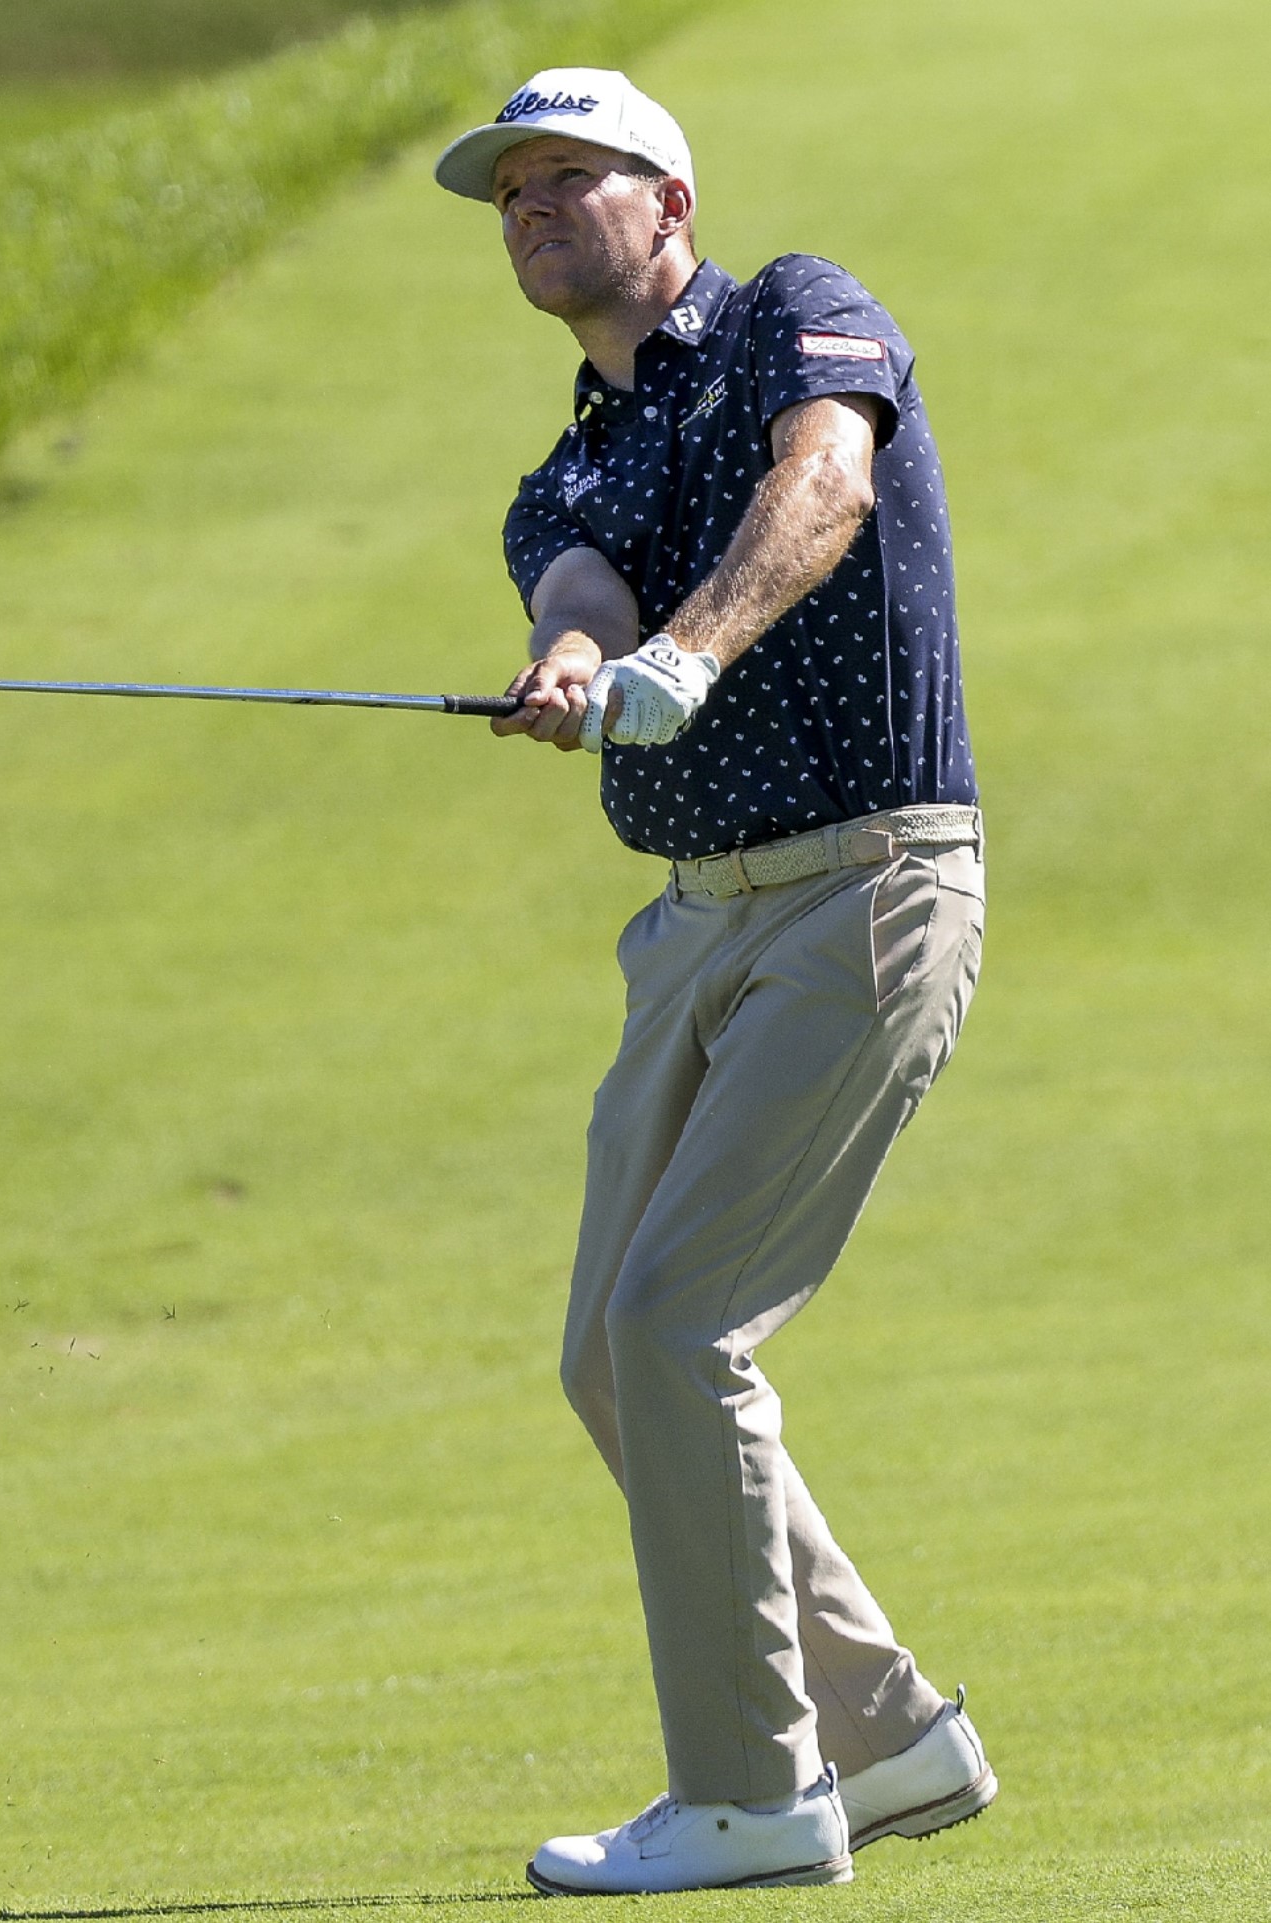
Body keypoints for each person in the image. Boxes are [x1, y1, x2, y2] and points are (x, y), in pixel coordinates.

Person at [433, 69, 999, 1895]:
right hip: (690, 923)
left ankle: (757, 1796)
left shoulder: (790, 315)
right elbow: (575, 589)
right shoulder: (560, 471)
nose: (528, 205)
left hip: (866, 887)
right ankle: (887, 1738)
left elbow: (821, 478)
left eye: (567, 175)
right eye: (508, 189)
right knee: (614, 1353)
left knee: (683, 1327)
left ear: (667, 201)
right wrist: (582, 663)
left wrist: (686, 652)